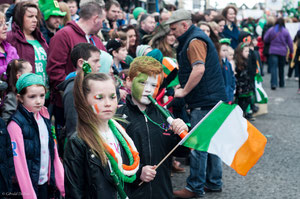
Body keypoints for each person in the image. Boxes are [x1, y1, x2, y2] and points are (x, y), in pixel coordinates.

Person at [166, 9, 226, 198]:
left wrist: (183, 91)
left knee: (198, 146)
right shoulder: (194, 38)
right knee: (212, 144)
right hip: (212, 99)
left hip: (204, 101)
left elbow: (198, 69)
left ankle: (194, 188)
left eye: (174, 28)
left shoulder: (194, 41)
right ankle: (214, 183)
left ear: (185, 25)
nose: (172, 33)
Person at [116, 56, 188, 199]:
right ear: (129, 81)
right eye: (143, 83)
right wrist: (138, 173)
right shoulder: (118, 116)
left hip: (162, 192)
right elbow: (114, 158)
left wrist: (181, 133)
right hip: (132, 193)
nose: (148, 90)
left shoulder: (165, 116)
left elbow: (182, 152)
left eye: (153, 85)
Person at [64, 70, 140, 198]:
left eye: (112, 96)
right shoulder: (78, 141)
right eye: (99, 98)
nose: (108, 103)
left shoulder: (120, 131)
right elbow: (74, 191)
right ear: (84, 101)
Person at [46, 1, 106, 137]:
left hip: (95, 105)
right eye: (102, 21)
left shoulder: (96, 40)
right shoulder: (63, 35)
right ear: (95, 18)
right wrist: (74, 92)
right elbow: (55, 72)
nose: (103, 25)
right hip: (70, 106)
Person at [7, 73, 64, 199]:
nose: (38, 101)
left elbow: (53, 154)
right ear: (20, 98)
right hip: (25, 190)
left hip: (44, 185)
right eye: (32, 96)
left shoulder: (45, 118)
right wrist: (29, 195)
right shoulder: (15, 125)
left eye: (42, 96)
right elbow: (19, 164)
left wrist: (62, 186)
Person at [58, 43, 101, 144]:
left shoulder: (90, 84)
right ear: (81, 63)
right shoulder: (73, 89)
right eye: (95, 61)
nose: (99, 65)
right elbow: (73, 126)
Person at [6, 1, 49, 95]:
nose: (35, 20)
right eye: (30, 16)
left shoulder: (40, 38)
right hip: (24, 96)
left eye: (36, 17)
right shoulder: (10, 38)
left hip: (45, 95)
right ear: (20, 18)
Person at [263, 17, 293, 90]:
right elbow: (290, 43)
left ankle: (274, 83)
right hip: (282, 52)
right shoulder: (285, 31)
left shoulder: (271, 30)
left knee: (274, 68)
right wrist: (291, 51)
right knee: (281, 68)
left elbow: (265, 39)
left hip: (273, 51)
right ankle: (282, 83)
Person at [234, 43, 253, 116]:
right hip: (240, 87)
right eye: (246, 51)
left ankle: (244, 114)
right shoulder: (237, 62)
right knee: (241, 103)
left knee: (248, 100)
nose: (248, 53)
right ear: (241, 52)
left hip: (247, 85)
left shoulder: (247, 60)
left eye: (248, 51)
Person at [0, 11, 19, 76]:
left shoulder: (11, 49)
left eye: (5, 23)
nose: (5, 27)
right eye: (0, 24)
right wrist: (11, 67)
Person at [219, 38, 235, 103]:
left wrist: (233, 88)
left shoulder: (228, 63)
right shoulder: (219, 64)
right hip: (222, 94)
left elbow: (232, 76)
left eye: (226, 50)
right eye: (223, 50)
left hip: (229, 92)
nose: (225, 52)